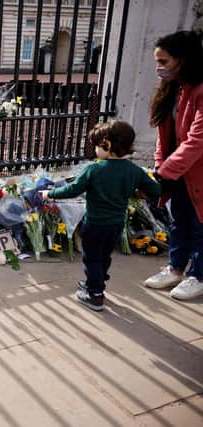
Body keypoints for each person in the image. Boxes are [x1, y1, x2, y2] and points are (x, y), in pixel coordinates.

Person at [41, 121, 161, 311]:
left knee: (92, 257)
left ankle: (95, 294)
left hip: (95, 223)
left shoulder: (95, 169)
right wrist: (136, 192)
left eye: (97, 145)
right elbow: (155, 189)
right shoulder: (133, 170)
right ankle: (96, 282)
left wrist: (49, 194)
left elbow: (73, 189)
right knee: (104, 255)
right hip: (116, 224)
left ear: (107, 144)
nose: (96, 149)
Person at [144, 31, 203, 300]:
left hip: (198, 173)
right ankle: (176, 268)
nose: (159, 67)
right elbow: (163, 136)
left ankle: (198, 275)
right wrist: (160, 166)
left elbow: (196, 141)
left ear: (183, 60)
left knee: (200, 224)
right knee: (178, 221)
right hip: (178, 172)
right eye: (157, 61)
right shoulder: (172, 89)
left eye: (164, 61)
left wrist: (164, 171)